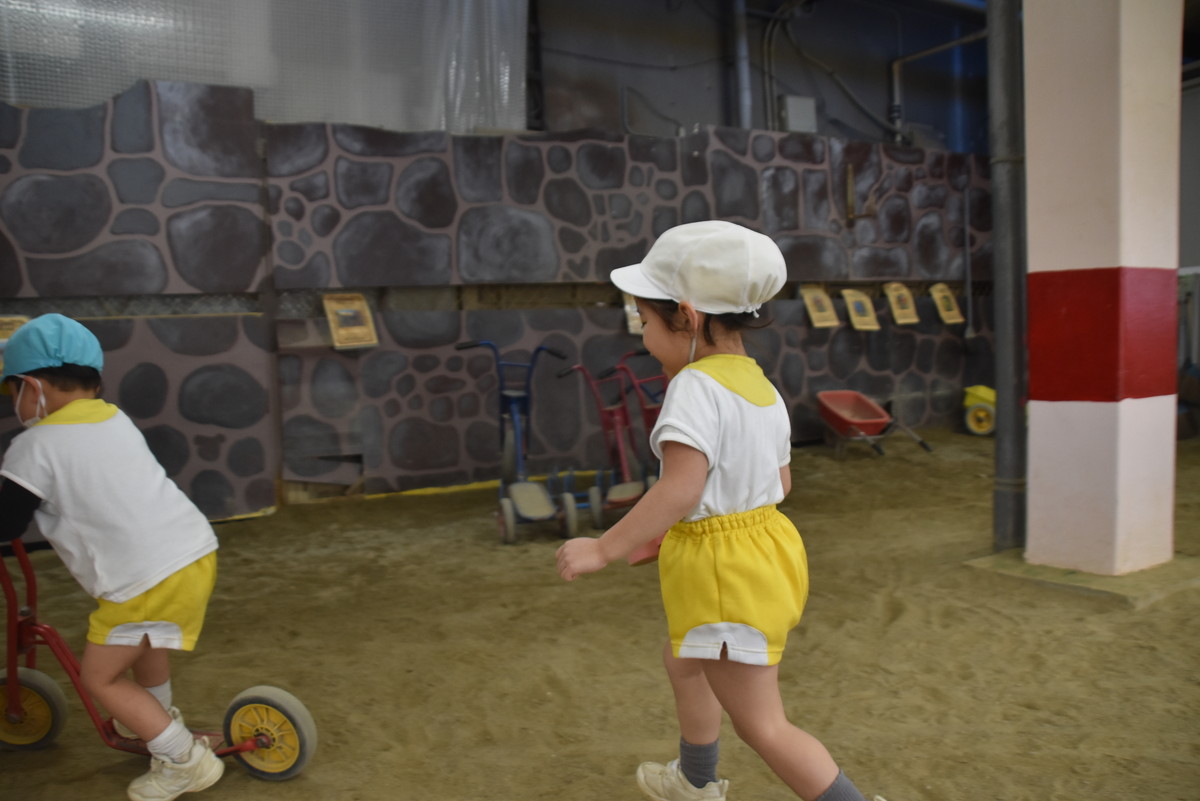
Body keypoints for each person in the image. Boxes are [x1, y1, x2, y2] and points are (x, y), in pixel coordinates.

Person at [556, 221, 881, 801]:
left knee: (764, 726)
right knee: (683, 657)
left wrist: (603, 548)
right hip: (765, 557)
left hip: (724, 575)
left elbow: (681, 489)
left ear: (686, 316)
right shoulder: (760, 386)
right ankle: (695, 778)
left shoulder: (693, 388)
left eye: (645, 320)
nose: (644, 336)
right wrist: (692, 524)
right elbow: (778, 482)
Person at [0, 314, 223, 801]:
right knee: (149, 641)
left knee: (99, 677)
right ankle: (156, 724)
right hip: (193, 552)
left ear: (32, 388)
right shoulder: (114, 419)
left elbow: (7, 522)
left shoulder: (32, 447)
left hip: (143, 577)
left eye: (8, 390)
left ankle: (182, 760)